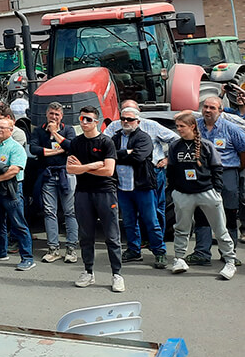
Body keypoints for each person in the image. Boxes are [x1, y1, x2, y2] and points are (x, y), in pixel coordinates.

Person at [166, 111, 236, 279]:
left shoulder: (206, 145)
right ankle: (179, 258)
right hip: (183, 194)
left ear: (192, 126)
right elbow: (171, 169)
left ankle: (230, 261)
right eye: (177, 126)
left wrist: (216, 189)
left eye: (182, 126)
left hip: (206, 192)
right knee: (181, 229)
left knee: (220, 229)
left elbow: (217, 167)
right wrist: (176, 190)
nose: (179, 129)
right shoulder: (175, 146)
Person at [67, 106, 124, 292]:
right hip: (83, 192)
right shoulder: (76, 143)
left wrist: (82, 168)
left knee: (112, 236)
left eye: (88, 119)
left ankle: (117, 274)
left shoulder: (107, 142)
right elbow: (70, 169)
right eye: (82, 118)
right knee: (86, 235)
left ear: (96, 122)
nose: (84, 122)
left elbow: (108, 170)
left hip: (105, 192)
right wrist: (91, 166)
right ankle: (88, 272)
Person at [104, 100, 178, 237]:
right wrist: (125, 153)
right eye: (123, 115)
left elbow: (176, 140)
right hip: (124, 174)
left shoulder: (151, 126)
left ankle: (156, 239)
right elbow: (104, 146)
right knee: (130, 211)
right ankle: (139, 241)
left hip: (152, 172)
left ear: (138, 115)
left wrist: (168, 159)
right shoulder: (114, 127)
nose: (126, 119)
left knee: (155, 209)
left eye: (131, 116)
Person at [188, 97, 245, 266]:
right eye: (205, 107)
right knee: (201, 212)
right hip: (202, 174)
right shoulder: (195, 127)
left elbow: (243, 152)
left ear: (220, 111)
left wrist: (236, 170)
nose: (207, 110)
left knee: (228, 213)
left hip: (227, 172)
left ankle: (229, 254)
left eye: (212, 107)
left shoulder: (232, 129)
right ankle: (201, 253)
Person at [112, 107, 167, 268]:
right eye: (123, 119)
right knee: (128, 221)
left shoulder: (144, 137)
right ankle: (134, 250)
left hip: (142, 186)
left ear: (138, 121)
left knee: (151, 220)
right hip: (123, 187)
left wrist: (120, 155)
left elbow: (139, 157)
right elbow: (107, 155)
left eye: (129, 119)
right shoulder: (115, 137)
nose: (126, 122)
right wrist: (126, 152)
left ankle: (160, 252)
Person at [0, 117, 36, 271]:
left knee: (18, 224)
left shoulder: (16, 148)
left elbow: (14, 169)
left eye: (2, 128)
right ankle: (0, 252)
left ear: (11, 131)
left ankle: (28, 258)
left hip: (11, 189)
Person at [30, 102, 78, 263]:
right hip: (48, 175)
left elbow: (71, 147)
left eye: (57, 114)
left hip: (66, 174)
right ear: (46, 114)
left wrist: (56, 134)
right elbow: (34, 149)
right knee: (49, 212)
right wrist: (58, 150)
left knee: (69, 212)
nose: (54, 117)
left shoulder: (68, 129)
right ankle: (53, 248)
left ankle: (71, 248)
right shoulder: (38, 130)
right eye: (51, 114)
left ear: (61, 116)